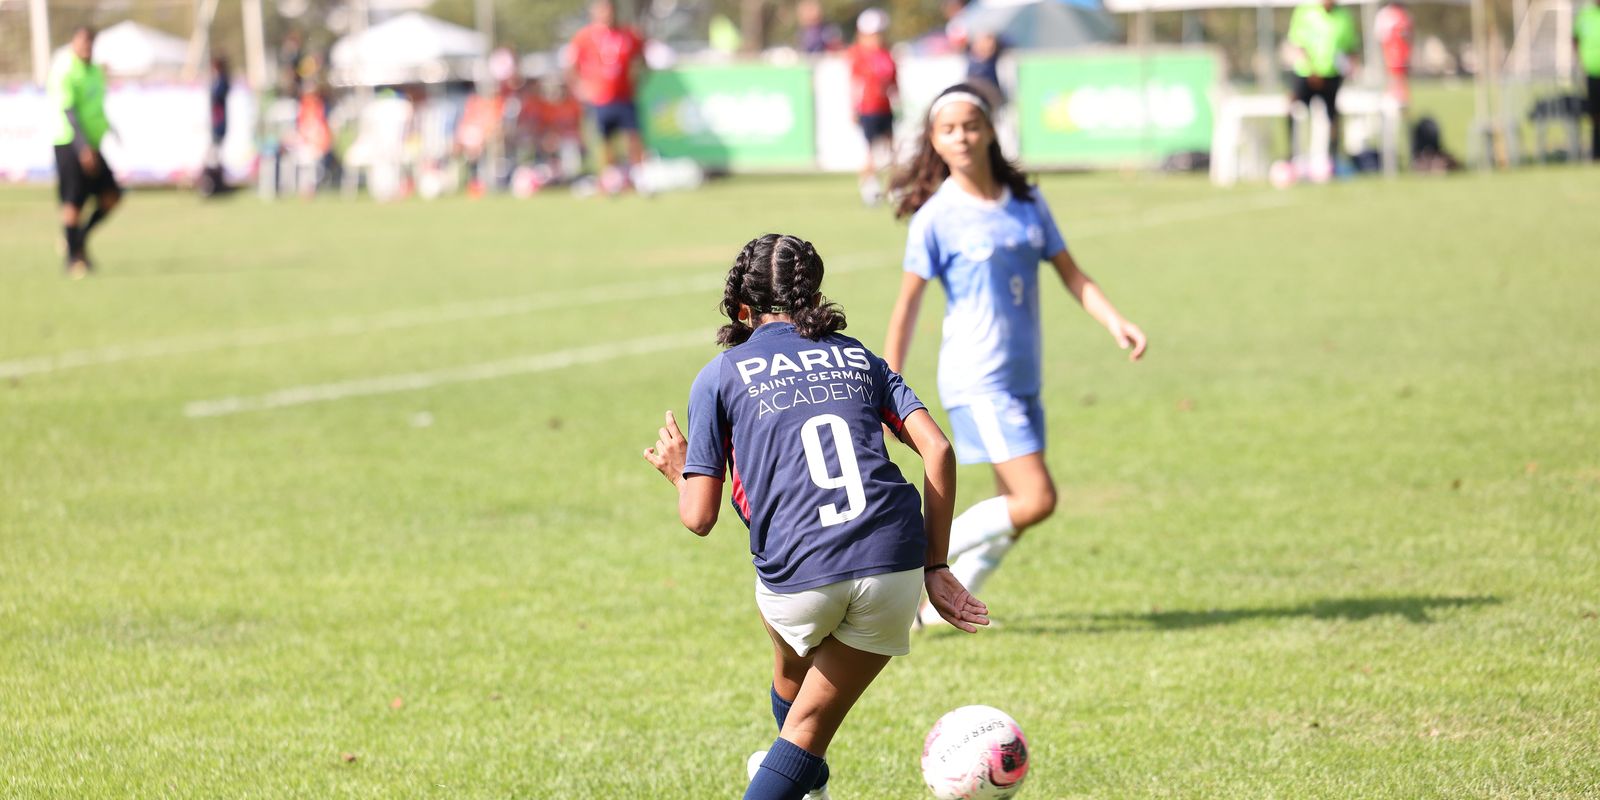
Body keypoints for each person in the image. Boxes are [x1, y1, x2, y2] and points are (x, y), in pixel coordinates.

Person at [644, 234, 988, 800]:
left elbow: (698, 516)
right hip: (892, 562)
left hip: (798, 573)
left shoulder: (720, 374)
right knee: (796, 695)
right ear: (813, 297)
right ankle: (810, 786)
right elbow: (939, 450)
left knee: (800, 721)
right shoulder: (859, 356)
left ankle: (800, 781)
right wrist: (936, 565)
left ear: (744, 309)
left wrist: (681, 471)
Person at [883, 85, 1148, 624]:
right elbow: (907, 305)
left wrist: (1114, 319)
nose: (961, 136)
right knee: (1036, 499)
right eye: (948, 129)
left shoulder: (1027, 202)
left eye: (970, 125)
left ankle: (937, 613)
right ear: (934, 140)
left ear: (989, 131)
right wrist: (887, 386)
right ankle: (911, 565)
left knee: (1016, 512)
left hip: (1024, 377)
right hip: (977, 377)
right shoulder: (937, 216)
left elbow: (1071, 273)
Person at [48, 26, 121, 279]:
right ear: (73, 43)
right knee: (74, 201)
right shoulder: (65, 70)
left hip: (93, 144)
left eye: (90, 43)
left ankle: (76, 239)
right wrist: (82, 147)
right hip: (70, 143)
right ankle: (73, 260)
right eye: (81, 42)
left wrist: (110, 128)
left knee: (112, 195)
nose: (86, 47)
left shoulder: (96, 72)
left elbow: (95, 107)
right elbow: (69, 111)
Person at [566, 0, 646, 193]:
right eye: (601, 11)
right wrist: (580, 88)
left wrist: (637, 81)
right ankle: (608, 181)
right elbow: (571, 67)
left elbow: (642, 61)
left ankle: (638, 179)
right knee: (603, 141)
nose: (606, 15)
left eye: (608, 10)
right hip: (599, 99)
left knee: (633, 138)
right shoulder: (583, 37)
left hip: (624, 97)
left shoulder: (628, 34)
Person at [1285, 0, 1360, 167]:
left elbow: (1350, 47)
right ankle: (1292, 154)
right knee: (1293, 107)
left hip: (1332, 75)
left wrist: (1352, 66)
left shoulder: (1344, 16)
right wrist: (1312, 70)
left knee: (1332, 116)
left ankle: (1332, 157)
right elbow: (1298, 44)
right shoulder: (1304, 11)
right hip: (1306, 73)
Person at [847, 8, 898, 206]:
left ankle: (894, 188)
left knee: (892, 151)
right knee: (870, 152)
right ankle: (869, 187)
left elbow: (894, 82)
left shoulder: (887, 54)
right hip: (868, 109)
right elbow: (855, 84)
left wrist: (897, 99)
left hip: (885, 108)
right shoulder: (858, 55)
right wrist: (853, 108)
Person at [1373, 1, 1413, 107]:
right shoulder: (1385, 14)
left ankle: (1400, 101)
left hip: (1401, 54)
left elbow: (1408, 35)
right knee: (1393, 78)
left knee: (1400, 79)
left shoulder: (1403, 13)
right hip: (1390, 53)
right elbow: (1380, 35)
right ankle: (1392, 100)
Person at [1577, 0, 1600, 160]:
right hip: (1592, 72)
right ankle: (1596, 152)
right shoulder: (1585, 15)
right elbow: (1575, 39)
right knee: (1595, 114)